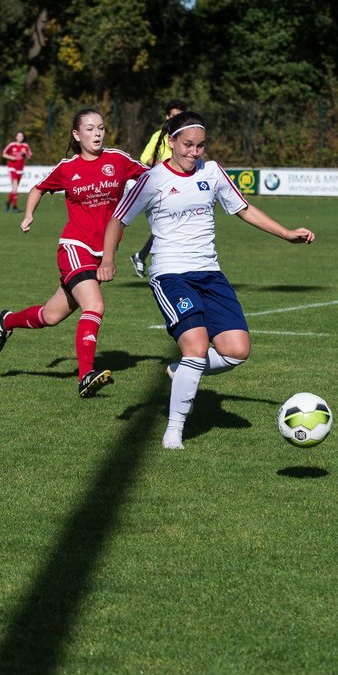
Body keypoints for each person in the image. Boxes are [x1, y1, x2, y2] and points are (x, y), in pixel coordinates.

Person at [101, 111, 315, 450]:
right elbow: (118, 219)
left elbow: (244, 208)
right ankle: (174, 431)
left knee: (236, 351)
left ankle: (182, 369)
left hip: (210, 273)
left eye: (200, 146)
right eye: (187, 145)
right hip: (170, 273)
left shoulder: (212, 172)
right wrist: (108, 259)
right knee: (197, 348)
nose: (194, 152)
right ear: (170, 142)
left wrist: (285, 233)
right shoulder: (152, 179)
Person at [0, 110, 147, 397]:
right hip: (75, 247)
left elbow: (153, 177)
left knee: (50, 316)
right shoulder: (67, 167)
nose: (97, 133)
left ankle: (7, 320)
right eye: (90, 128)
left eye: (100, 127)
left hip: (102, 252)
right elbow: (38, 189)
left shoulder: (119, 160)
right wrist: (28, 215)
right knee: (95, 306)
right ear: (77, 135)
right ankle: (86, 375)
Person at [128, 99, 186, 277]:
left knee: (174, 226)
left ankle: (141, 256)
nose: (176, 119)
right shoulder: (158, 136)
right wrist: (160, 163)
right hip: (160, 187)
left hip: (180, 186)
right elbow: (145, 158)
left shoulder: (186, 137)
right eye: (173, 116)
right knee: (168, 227)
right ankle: (162, 266)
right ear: (167, 116)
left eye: (180, 116)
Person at [2, 130, 33, 212]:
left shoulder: (25, 146)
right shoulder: (12, 145)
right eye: (18, 136)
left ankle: (8, 203)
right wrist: (10, 157)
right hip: (12, 167)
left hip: (20, 169)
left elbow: (29, 156)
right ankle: (14, 207)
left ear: (23, 137)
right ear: (16, 137)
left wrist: (25, 153)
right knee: (15, 185)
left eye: (21, 136)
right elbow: (4, 154)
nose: (20, 137)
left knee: (14, 189)